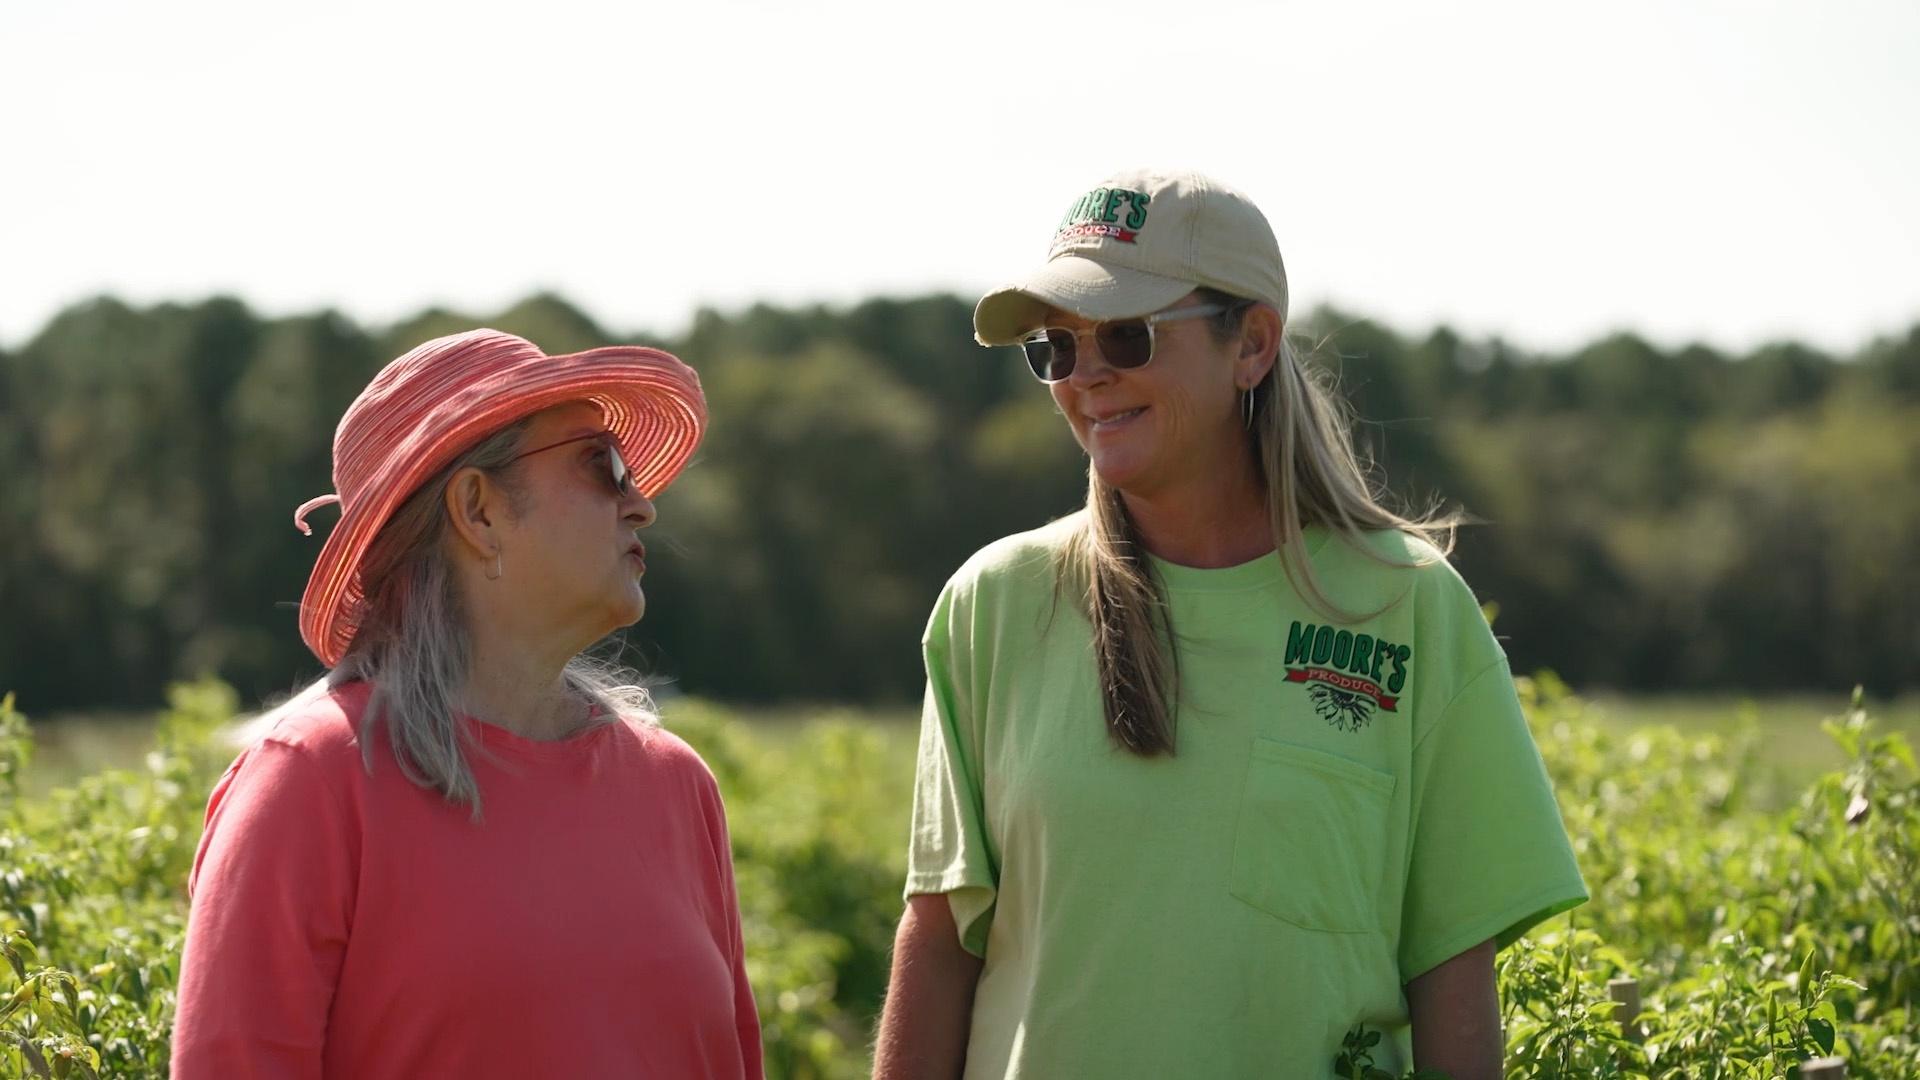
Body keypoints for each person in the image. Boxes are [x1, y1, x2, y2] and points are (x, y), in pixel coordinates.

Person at [873, 170, 1587, 1079]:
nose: (1086, 375)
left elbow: (1450, 969)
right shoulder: (995, 604)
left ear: (1250, 344)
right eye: (1056, 348)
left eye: (1127, 336)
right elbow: (938, 943)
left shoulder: (1406, 608)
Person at [171, 329, 763, 1079]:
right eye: (603, 466)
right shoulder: (312, 781)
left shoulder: (676, 785)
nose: (641, 504)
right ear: (478, 510)